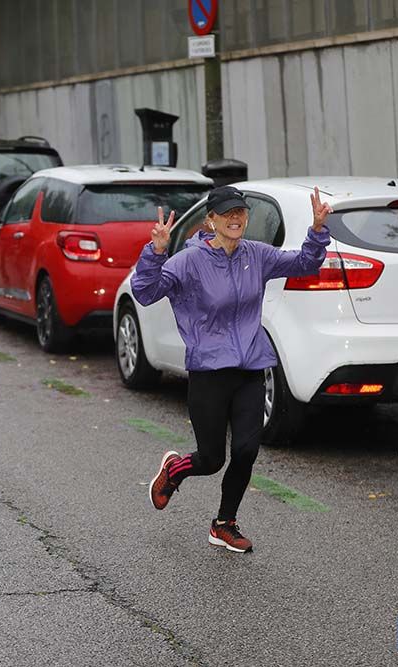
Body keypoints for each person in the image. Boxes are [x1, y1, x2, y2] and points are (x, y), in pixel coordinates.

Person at [138, 186, 332, 553]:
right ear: (210, 220)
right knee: (211, 459)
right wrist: (157, 252)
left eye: (240, 212)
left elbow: (305, 263)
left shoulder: (256, 255)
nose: (235, 218)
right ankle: (173, 471)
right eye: (227, 213)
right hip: (209, 373)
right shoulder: (188, 262)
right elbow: (145, 292)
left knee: (246, 450)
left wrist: (317, 230)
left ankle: (224, 523)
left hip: (250, 368)